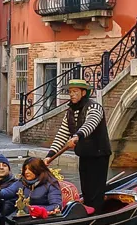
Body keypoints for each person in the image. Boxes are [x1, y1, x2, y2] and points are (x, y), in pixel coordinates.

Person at [44, 79, 111, 211]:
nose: (72, 94)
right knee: (86, 189)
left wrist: (77, 136)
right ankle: (89, 209)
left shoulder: (95, 107)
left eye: (75, 91)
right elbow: (62, 134)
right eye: (70, 92)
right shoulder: (70, 112)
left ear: (83, 93)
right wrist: (49, 155)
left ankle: (96, 212)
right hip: (84, 155)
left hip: (99, 155)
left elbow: (91, 123)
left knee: (95, 190)